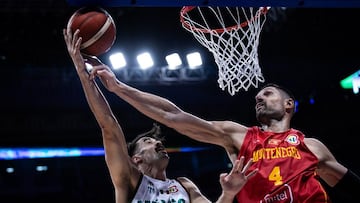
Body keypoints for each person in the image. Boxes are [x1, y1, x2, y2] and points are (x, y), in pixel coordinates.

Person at [87, 51, 360, 201]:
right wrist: (118, 87)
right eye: (257, 95)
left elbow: (349, 183)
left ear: (289, 104)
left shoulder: (311, 147)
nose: (259, 97)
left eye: (267, 93)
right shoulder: (240, 137)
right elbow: (172, 115)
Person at [63, 28, 258, 203]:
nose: (158, 143)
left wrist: (229, 193)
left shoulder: (184, 186)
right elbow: (108, 126)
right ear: (136, 159)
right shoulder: (129, 180)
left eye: (155, 140)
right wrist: (83, 74)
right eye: (148, 141)